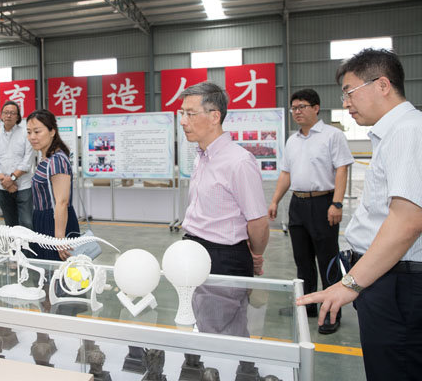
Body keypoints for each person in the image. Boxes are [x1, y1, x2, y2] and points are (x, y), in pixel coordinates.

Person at [297, 48, 422, 380]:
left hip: (398, 282)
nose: (346, 103)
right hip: (385, 276)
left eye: (350, 92)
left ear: (382, 85)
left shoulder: (407, 131)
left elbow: (407, 221)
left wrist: (350, 284)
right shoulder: (393, 132)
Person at [179, 81, 269, 337]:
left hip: (222, 257)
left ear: (214, 116)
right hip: (195, 251)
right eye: (182, 114)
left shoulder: (238, 162)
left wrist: (256, 255)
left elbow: (258, 222)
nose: (183, 121)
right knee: (204, 324)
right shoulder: (202, 156)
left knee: (219, 332)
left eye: (190, 114)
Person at [268, 89, 353, 334]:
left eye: (302, 107)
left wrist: (337, 203)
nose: (297, 112)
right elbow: (286, 173)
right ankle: (309, 307)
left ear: (316, 108)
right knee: (302, 260)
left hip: (323, 203)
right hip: (298, 203)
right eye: (294, 108)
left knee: (327, 260)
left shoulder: (332, 136)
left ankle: (332, 313)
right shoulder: (292, 141)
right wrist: (275, 201)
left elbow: (341, 169)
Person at [26, 109, 80, 261]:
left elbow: (62, 202)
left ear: (52, 132)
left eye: (37, 131)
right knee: (46, 270)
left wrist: (59, 239)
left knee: (57, 270)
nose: (32, 137)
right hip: (43, 220)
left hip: (55, 222)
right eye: (29, 132)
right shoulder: (47, 158)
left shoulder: (57, 161)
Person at [0, 100, 34, 229]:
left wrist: (11, 179)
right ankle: (14, 244)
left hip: (23, 186)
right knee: (10, 225)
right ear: (1, 115)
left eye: (13, 113)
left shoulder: (26, 134)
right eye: (6, 112)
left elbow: (28, 160)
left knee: (27, 223)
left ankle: (28, 244)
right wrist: (5, 181)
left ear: (18, 116)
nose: (9, 115)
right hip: (2, 187)